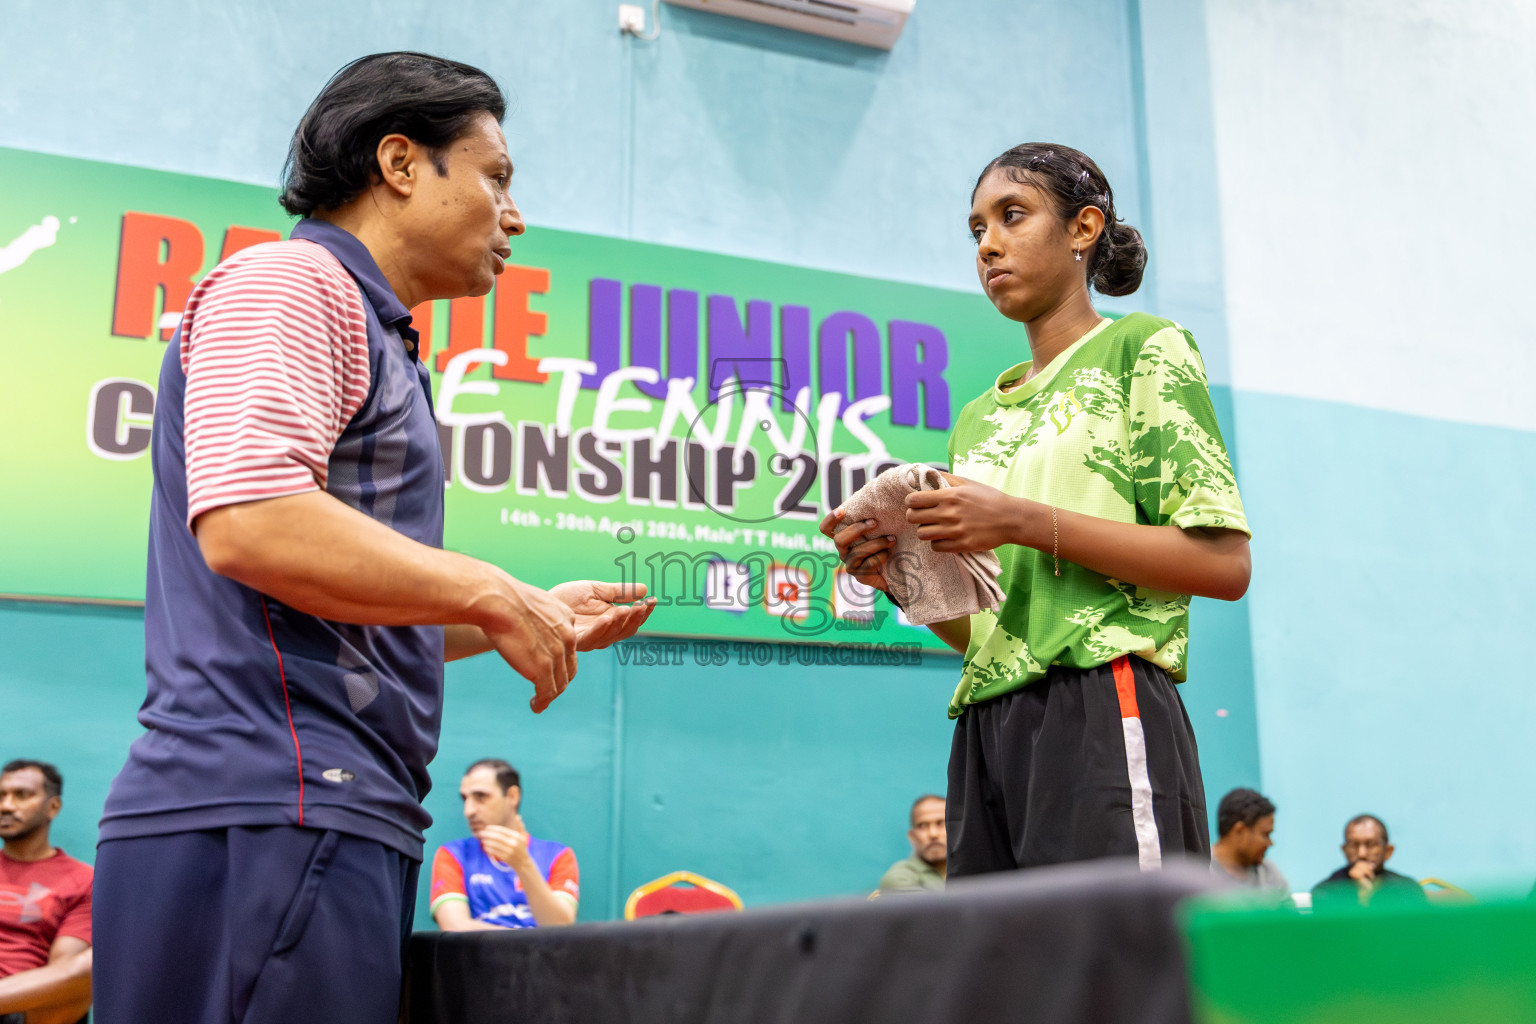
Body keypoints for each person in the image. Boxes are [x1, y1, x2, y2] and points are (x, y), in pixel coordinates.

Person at [92, 52, 655, 1024]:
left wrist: (522, 609)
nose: (515, 216)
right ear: (399, 163)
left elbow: (341, 607)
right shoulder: (292, 281)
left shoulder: (379, 335)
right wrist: (487, 589)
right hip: (270, 801)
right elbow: (252, 522)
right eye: (496, 177)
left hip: (332, 807)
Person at [823, 143, 1251, 875]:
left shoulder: (1143, 348)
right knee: (1005, 952)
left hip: (1104, 700)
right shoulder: (977, 419)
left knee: (1116, 947)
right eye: (976, 229)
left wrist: (1021, 521)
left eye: (1012, 216)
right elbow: (995, 635)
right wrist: (899, 578)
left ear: (1083, 228)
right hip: (987, 725)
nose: (988, 244)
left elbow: (1224, 565)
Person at [430, 759, 579, 929]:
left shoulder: (557, 855)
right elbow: (455, 926)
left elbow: (560, 927)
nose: (468, 811)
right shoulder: (454, 854)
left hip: (536, 950)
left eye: (481, 797)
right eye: (465, 799)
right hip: (492, 949)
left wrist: (523, 864)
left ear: (512, 796)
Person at [0, 760, 92, 1024]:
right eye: (1, 796)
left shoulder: (82, 879)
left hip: (24, 1010)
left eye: (21, 795)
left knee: (94, 964)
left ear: (53, 807)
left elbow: (66, 972)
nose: (6, 805)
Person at [1311, 814, 1426, 908]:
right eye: (1353, 845)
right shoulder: (1325, 892)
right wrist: (1362, 896)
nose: (1362, 854)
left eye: (1371, 845)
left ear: (1388, 851)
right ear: (1344, 850)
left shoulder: (1407, 890)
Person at [1210, 788, 1290, 897]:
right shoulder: (1198, 869)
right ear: (1240, 831)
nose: (1270, 843)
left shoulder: (1270, 874)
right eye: (1265, 834)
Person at [878, 794, 947, 893]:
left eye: (941, 823)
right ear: (912, 836)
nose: (933, 834)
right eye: (922, 826)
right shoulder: (900, 878)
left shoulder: (969, 869)